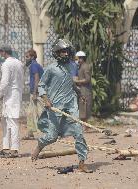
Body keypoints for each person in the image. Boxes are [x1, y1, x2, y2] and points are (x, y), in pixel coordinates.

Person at [31, 39, 92, 173]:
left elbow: (71, 83)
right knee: (52, 136)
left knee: (79, 133)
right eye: (62, 51)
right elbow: (41, 85)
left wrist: (79, 93)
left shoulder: (72, 66)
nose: (65, 54)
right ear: (57, 53)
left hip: (71, 105)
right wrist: (45, 99)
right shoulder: (51, 69)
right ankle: (40, 145)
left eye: (66, 51)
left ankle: (82, 162)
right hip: (55, 107)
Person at [0, 44, 24, 158]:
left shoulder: (6, 64)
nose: (0, 54)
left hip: (11, 97)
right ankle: (6, 148)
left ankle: (14, 149)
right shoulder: (19, 63)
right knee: (5, 121)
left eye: (0, 52)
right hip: (14, 95)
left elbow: (5, 83)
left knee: (13, 122)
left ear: (3, 52)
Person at [23, 49, 44, 140]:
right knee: (30, 113)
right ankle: (30, 133)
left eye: (27, 57)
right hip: (35, 93)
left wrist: (35, 93)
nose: (26, 58)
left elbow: (37, 79)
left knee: (41, 113)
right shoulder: (34, 65)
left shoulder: (34, 66)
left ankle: (49, 132)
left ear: (32, 57)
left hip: (37, 94)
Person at [73, 51, 93, 131]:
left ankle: (85, 126)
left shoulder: (85, 67)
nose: (77, 60)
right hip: (81, 90)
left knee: (85, 108)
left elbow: (87, 79)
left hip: (85, 90)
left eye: (78, 58)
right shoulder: (80, 66)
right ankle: (84, 126)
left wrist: (78, 81)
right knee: (81, 108)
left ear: (81, 58)